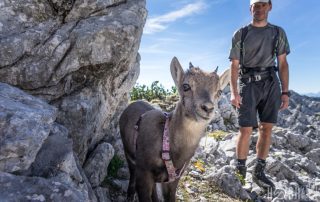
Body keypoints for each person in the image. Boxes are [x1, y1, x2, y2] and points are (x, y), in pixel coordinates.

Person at [229, 0, 290, 191]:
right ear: (250, 8)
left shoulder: (278, 32)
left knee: (266, 128)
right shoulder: (241, 33)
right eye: (256, 5)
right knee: (245, 129)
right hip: (247, 83)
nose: (259, 9)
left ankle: (259, 172)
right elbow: (234, 65)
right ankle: (240, 172)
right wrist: (234, 92)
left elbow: (282, 64)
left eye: (263, 4)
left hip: (271, 82)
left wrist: (285, 91)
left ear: (270, 7)